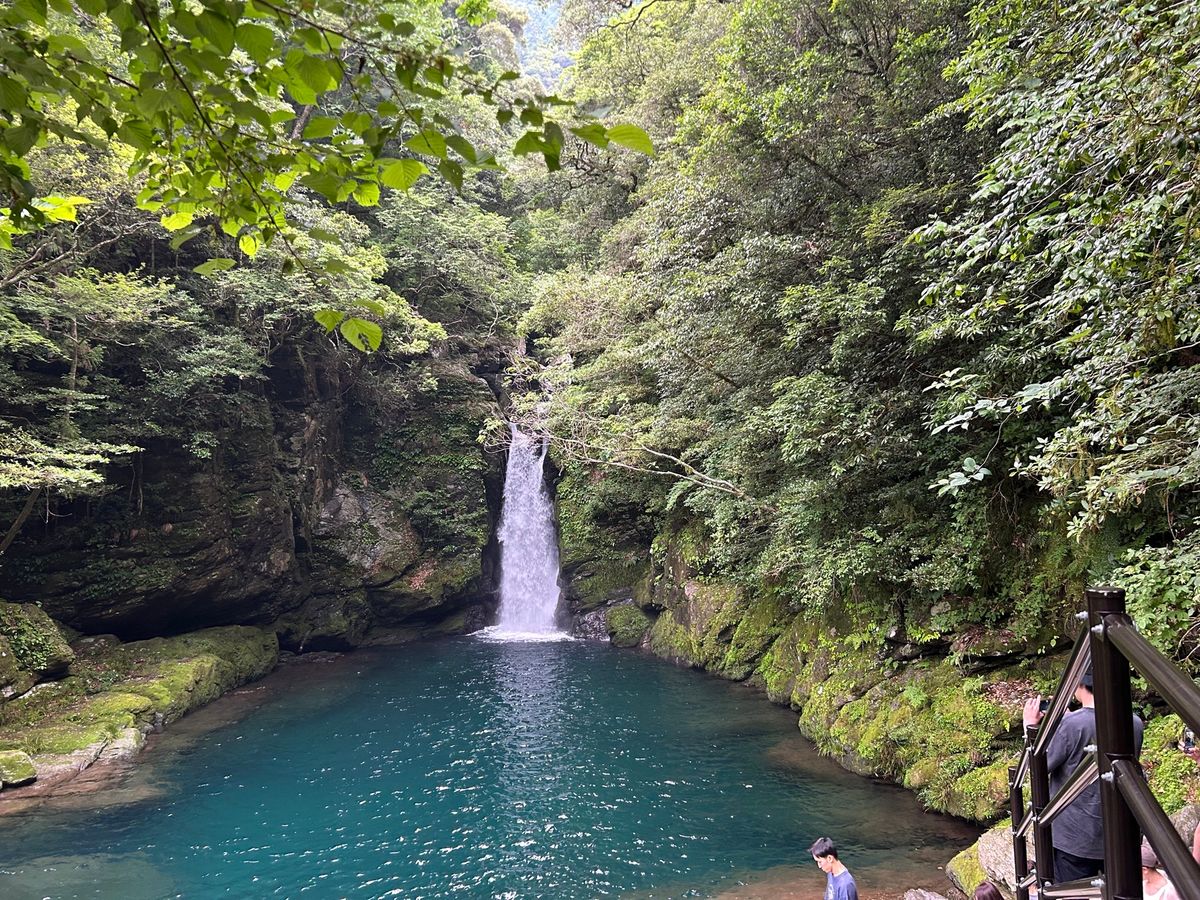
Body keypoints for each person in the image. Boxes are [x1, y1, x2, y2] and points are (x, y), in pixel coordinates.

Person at [1023, 670, 1145, 882]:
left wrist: (1030, 728)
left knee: (1069, 892)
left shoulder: (1071, 726)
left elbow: (1037, 767)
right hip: (1118, 833)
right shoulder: (1134, 722)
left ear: (1079, 684)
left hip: (1074, 836)